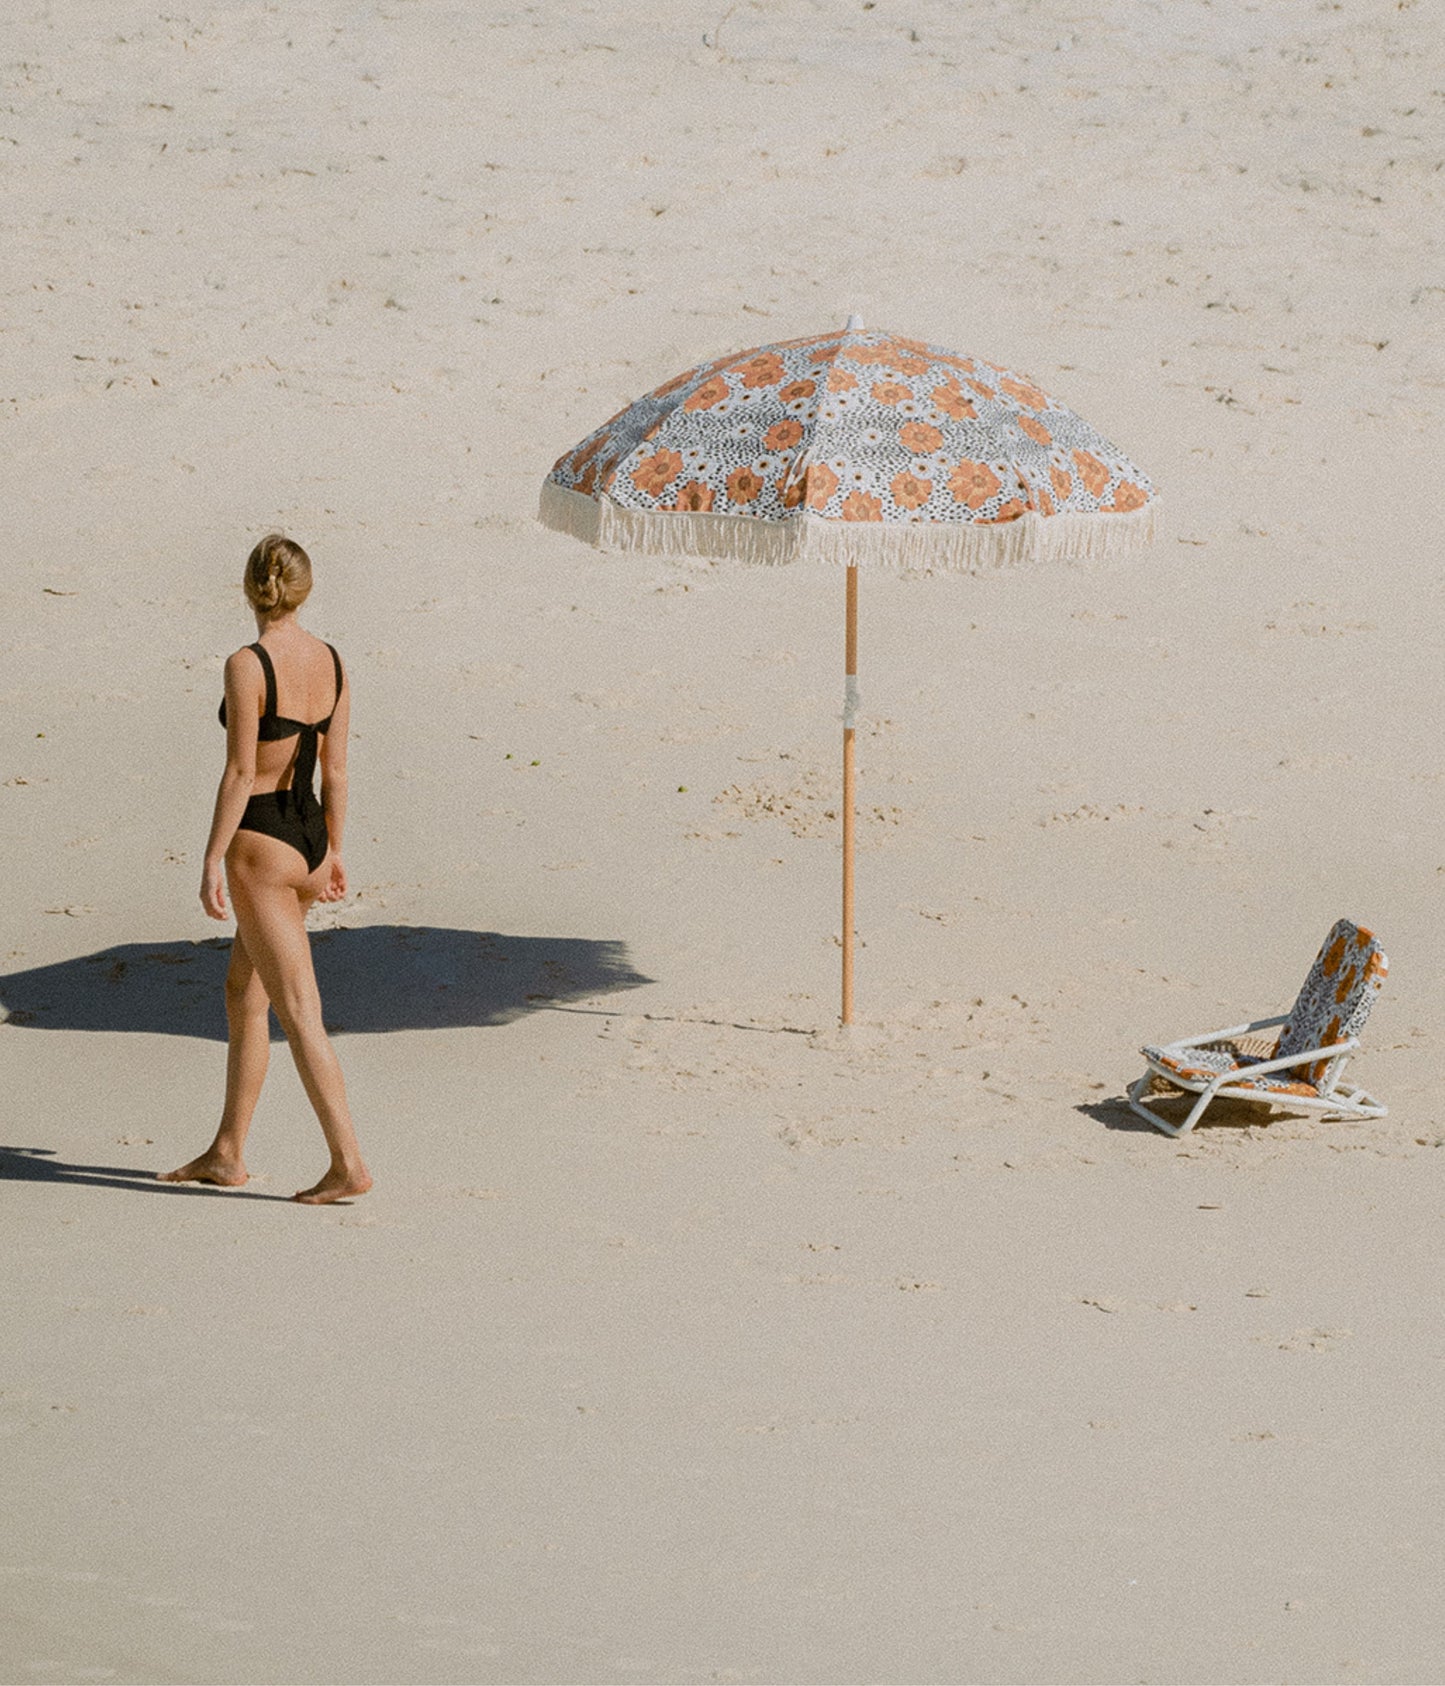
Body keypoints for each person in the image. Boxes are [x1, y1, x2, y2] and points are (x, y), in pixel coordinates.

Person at [161, 534, 372, 1204]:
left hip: (261, 846)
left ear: (250, 589)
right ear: (304, 590)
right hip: (308, 840)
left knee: (300, 1009)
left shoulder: (247, 665)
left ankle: (348, 1163)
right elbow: (336, 772)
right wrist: (334, 850)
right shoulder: (332, 660)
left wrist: (211, 859)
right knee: (244, 992)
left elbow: (241, 772)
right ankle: (227, 1151)